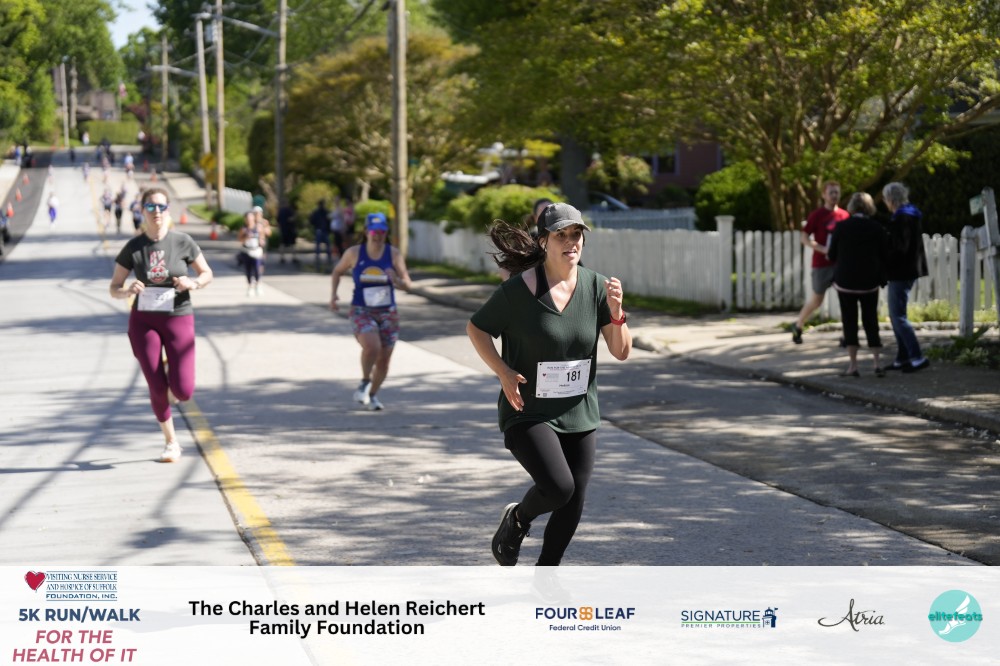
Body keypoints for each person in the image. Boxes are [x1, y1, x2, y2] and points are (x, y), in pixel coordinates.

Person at [467, 202, 632, 567]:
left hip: (578, 411)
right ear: (543, 241)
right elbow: (476, 329)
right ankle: (518, 519)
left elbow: (621, 351)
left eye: (576, 235)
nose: (571, 242)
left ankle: (547, 576)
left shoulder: (596, 286)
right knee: (559, 487)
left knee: (574, 498)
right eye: (561, 235)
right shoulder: (518, 291)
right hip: (528, 410)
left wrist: (617, 313)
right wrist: (503, 371)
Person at [108, 187, 213, 463]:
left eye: (162, 207)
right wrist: (127, 290)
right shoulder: (134, 247)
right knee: (156, 386)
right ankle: (171, 442)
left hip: (179, 315)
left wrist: (193, 283)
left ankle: (170, 375)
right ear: (142, 210)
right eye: (151, 207)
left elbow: (206, 273)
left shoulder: (183, 241)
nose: (157, 212)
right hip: (144, 321)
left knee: (183, 391)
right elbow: (114, 288)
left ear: (168, 210)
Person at [329, 212, 412, 411]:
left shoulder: (393, 254)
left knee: (384, 360)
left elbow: (408, 284)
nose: (378, 235)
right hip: (361, 310)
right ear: (366, 232)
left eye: (382, 231)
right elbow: (337, 271)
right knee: (372, 347)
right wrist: (333, 295)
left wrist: (397, 280)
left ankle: (372, 395)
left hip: (388, 313)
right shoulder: (354, 253)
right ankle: (365, 381)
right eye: (374, 231)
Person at [827, 192, 888, 378]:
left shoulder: (841, 227)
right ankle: (877, 363)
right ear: (870, 207)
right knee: (871, 320)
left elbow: (831, 254)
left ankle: (853, 365)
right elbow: (884, 255)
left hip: (845, 281)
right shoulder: (877, 228)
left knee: (849, 321)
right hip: (869, 282)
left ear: (852, 207)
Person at [791, 180, 849, 344]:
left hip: (840, 264)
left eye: (836, 192)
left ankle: (847, 334)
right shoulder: (817, 215)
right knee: (817, 300)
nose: (834, 195)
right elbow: (804, 237)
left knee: (846, 299)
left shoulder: (845, 216)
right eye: (831, 192)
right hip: (821, 265)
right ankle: (798, 325)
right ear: (824, 195)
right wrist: (822, 249)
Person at [881, 182, 930, 373]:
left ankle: (917, 357)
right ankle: (903, 358)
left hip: (901, 271)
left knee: (897, 316)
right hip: (909, 269)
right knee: (897, 316)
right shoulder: (910, 214)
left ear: (891, 199)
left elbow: (899, 248)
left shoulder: (902, 217)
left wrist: (884, 257)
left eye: (885, 199)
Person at [238, 210, 266, 296]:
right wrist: (246, 237)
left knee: (257, 268)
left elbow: (262, 237)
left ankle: (258, 284)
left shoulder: (258, 227)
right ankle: (250, 286)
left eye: (250, 218)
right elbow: (240, 240)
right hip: (246, 251)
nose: (249, 220)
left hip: (256, 251)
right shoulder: (243, 229)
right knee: (248, 269)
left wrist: (262, 241)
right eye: (247, 218)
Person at [310, 200, 332, 269]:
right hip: (323, 230)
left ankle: (318, 258)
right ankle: (328, 257)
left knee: (318, 245)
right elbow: (329, 221)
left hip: (319, 230)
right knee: (327, 245)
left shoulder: (316, 212)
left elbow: (312, 221)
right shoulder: (326, 212)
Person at [277, 200, 299, 264]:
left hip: (283, 230)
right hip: (290, 230)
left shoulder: (280, 211)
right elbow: (291, 219)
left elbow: (278, 220)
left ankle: (282, 257)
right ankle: (294, 257)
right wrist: (295, 216)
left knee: (282, 244)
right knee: (292, 244)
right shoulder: (289, 210)